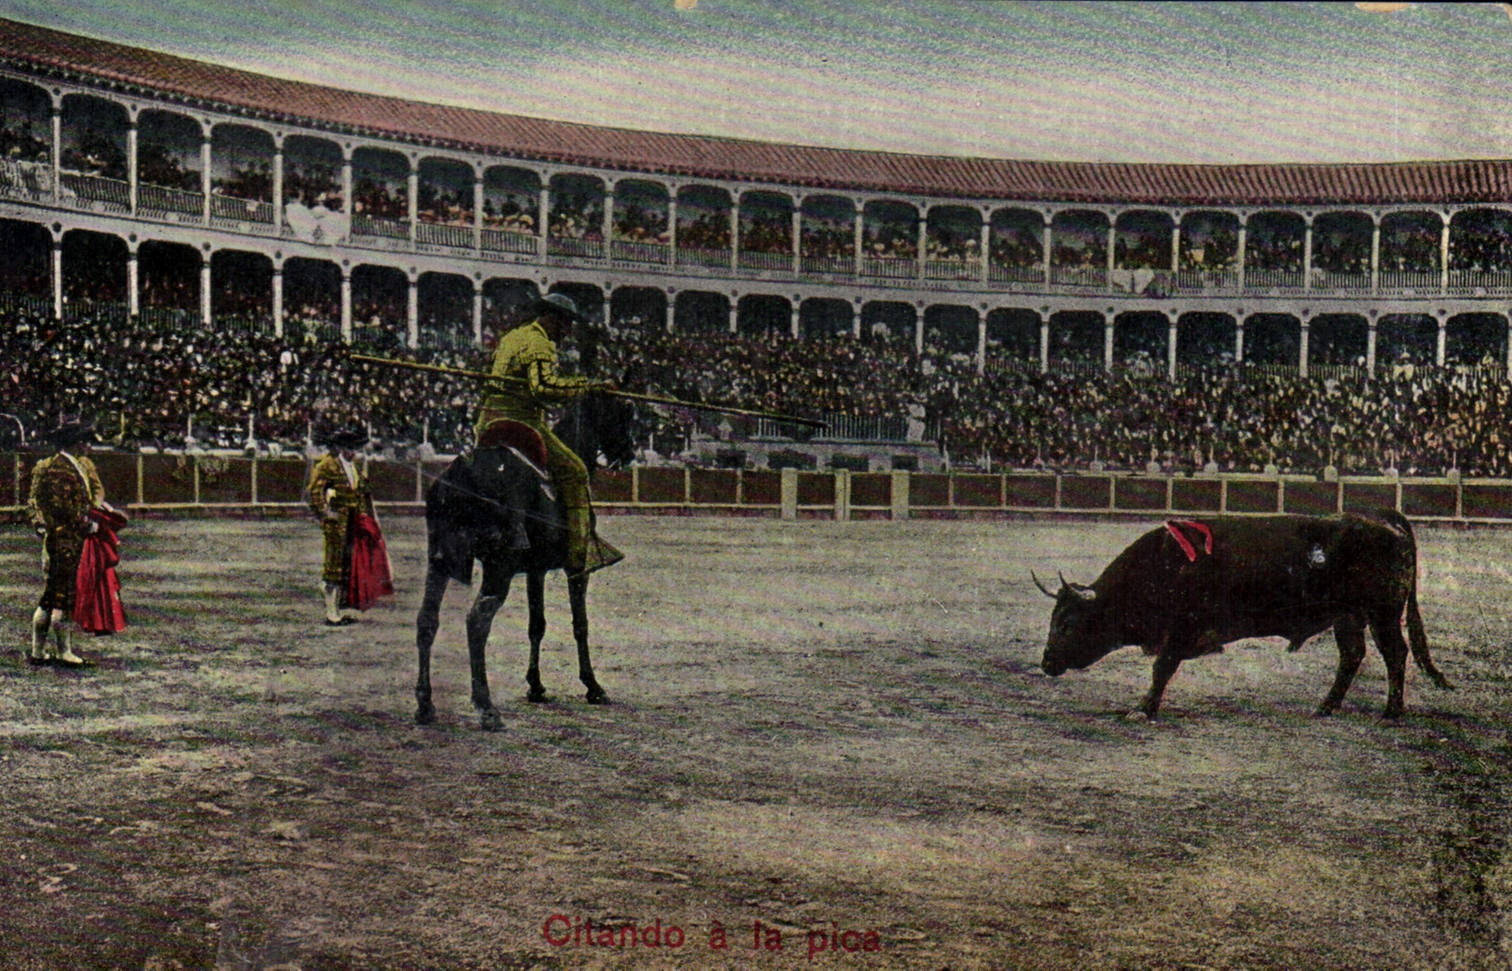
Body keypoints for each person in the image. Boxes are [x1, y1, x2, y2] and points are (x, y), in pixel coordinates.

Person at [474, 292, 622, 577]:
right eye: (566, 324)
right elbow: (542, 387)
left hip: (487, 421)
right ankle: (579, 555)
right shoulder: (540, 343)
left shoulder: (513, 336)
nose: (567, 332)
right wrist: (589, 386)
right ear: (552, 318)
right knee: (576, 472)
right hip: (522, 421)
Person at [26, 420, 107, 667]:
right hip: (66, 539)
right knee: (63, 595)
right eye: (85, 441)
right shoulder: (62, 469)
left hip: (60, 537)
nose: (88, 446)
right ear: (76, 443)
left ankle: (38, 652)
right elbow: (65, 507)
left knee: (50, 596)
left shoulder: (62, 465)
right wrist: (87, 524)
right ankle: (64, 651)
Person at [306, 427, 377, 626]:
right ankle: (332, 614)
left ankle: (336, 609)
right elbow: (314, 492)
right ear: (338, 447)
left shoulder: (353, 467)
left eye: (354, 448)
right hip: (337, 524)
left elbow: (359, 493)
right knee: (334, 567)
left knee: (346, 566)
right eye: (349, 448)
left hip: (352, 522)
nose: (353, 452)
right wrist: (325, 513)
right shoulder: (327, 465)